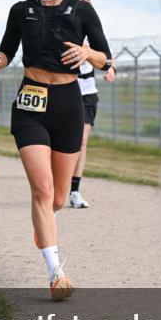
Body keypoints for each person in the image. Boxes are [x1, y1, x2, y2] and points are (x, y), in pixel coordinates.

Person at [0, 0, 114, 301]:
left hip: (67, 103)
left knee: (57, 198)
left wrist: (88, 53)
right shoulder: (21, 9)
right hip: (31, 102)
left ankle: (45, 231)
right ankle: (56, 272)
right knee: (41, 190)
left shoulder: (82, 10)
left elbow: (105, 58)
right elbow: (7, 50)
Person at [70, 53, 116, 208]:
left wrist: (111, 68)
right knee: (61, 139)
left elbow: (108, 56)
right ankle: (55, 183)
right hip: (65, 91)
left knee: (82, 140)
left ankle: (74, 191)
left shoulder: (91, 32)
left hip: (88, 94)